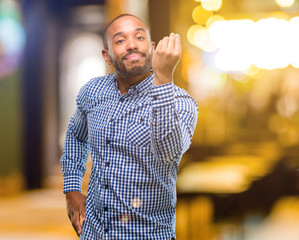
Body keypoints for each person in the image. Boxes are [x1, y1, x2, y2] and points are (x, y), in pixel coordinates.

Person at [60, 13, 198, 239]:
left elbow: (168, 153)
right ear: (106, 56)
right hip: (94, 234)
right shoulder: (93, 92)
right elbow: (76, 135)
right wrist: (72, 188)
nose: (132, 45)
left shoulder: (181, 102)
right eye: (120, 40)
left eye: (139, 37)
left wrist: (163, 79)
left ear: (152, 47)